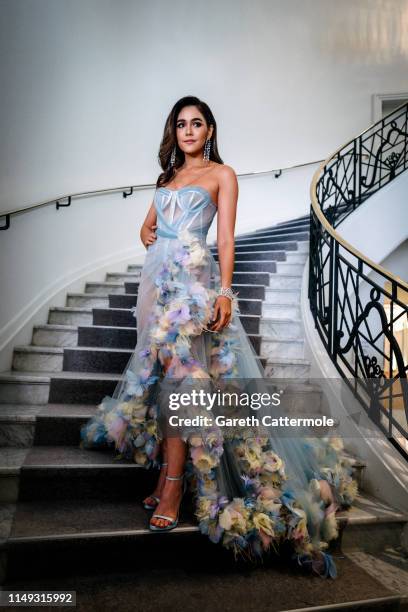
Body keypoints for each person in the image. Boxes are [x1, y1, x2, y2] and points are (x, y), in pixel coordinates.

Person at [80, 95, 358, 578]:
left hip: (191, 285)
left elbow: (225, 238)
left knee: (181, 385)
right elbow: (148, 227)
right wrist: (151, 233)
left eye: (197, 124)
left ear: (209, 131)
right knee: (159, 380)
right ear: (176, 131)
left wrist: (224, 292)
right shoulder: (167, 179)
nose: (189, 131)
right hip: (155, 284)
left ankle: (171, 486)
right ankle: (173, 476)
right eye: (181, 124)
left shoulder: (221, 175)